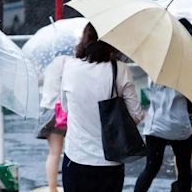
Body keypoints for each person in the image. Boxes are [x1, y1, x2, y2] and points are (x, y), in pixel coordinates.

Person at [60, 23, 145, 192]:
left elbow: (66, 107)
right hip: (110, 162)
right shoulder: (120, 70)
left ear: (85, 39)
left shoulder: (70, 67)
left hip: (76, 159)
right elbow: (136, 115)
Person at [134, 18, 192, 192]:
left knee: (151, 168)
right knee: (184, 167)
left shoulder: (157, 57)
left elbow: (145, 90)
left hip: (155, 123)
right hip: (179, 124)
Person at [35, 55, 68, 192]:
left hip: (47, 109)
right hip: (61, 110)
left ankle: (52, 188)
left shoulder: (50, 63)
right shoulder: (67, 63)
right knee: (71, 153)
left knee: (54, 152)